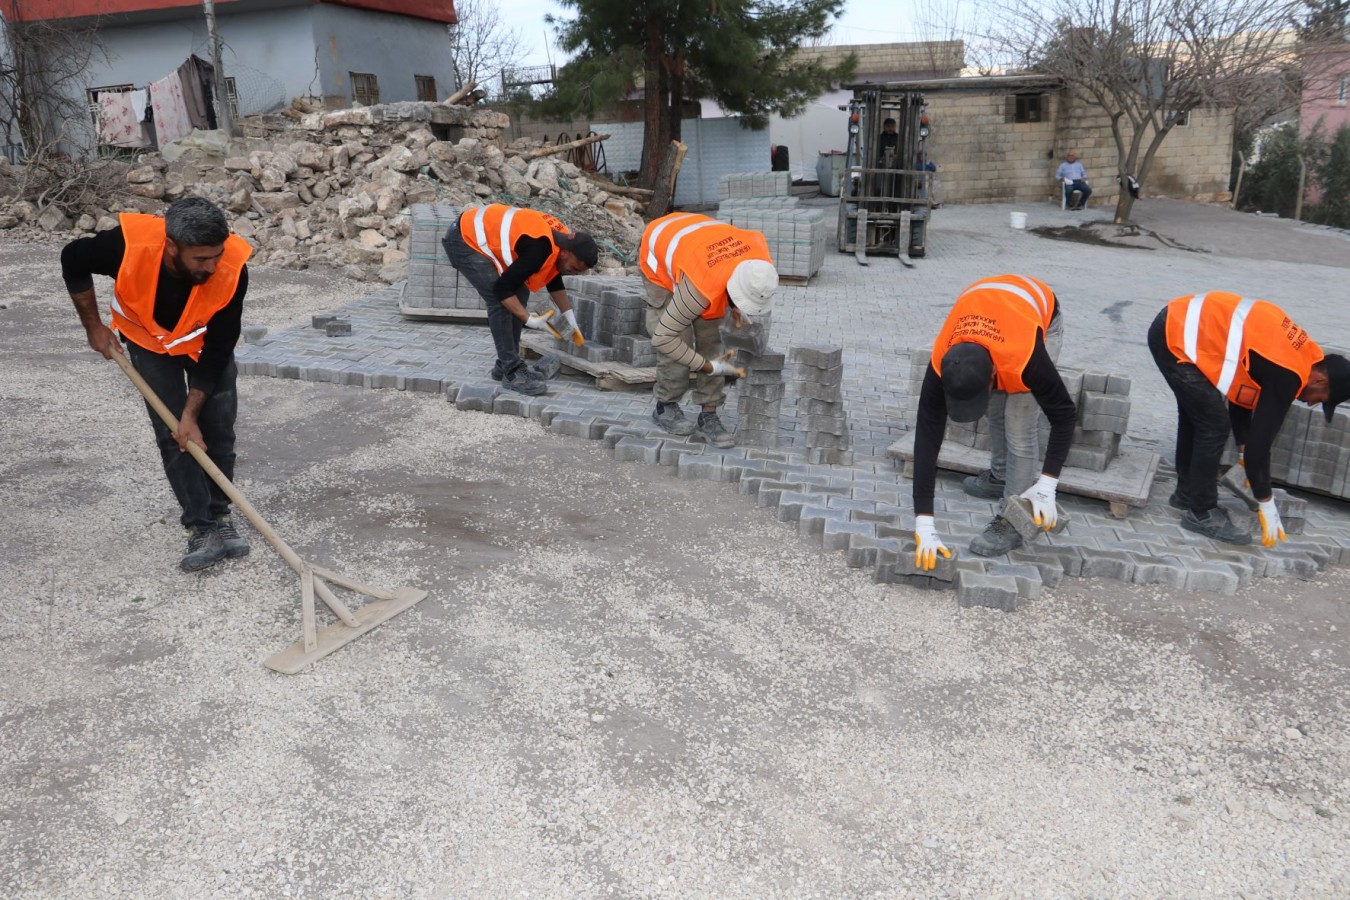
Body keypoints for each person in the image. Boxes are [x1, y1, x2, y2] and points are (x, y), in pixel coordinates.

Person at [61, 196, 253, 573]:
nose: (212, 266)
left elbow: (219, 346)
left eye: (216, 255)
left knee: (217, 430)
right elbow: (72, 259)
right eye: (201, 259)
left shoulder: (232, 269)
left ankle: (220, 515)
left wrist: (191, 413)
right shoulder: (126, 246)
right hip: (148, 339)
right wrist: (93, 327)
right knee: (174, 434)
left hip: (202, 344)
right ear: (171, 247)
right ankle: (200, 526)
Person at [1148, 291, 1350, 545]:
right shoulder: (1288, 374)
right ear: (1320, 380)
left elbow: (1240, 394)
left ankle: (1187, 494)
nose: (1311, 403)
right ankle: (1201, 513)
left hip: (1178, 322)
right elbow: (1260, 449)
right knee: (1213, 423)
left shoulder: (1302, 356)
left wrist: (1243, 451)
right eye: (1321, 398)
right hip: (1177, 336)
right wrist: (1266, 502)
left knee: (1199, 415)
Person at [912, 274, 1078, 567]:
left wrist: (1047, 485)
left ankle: (1012, 520)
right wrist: (924, 523)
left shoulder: (1026, 359)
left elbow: (1064, 414)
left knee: (1018, 421)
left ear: (993, 375)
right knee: (994, 409)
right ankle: (1001, 475)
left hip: (1039, 318)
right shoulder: (942, 360)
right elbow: (926, 437)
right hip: (993, 311)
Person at [639, 212, 779, 448]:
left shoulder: (761, 266)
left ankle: (709, 414)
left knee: (714, 337)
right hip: (660, 250)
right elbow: (664, 338)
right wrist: (705, 365)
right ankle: (666, 406)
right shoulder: (701, 287)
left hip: (699, 242)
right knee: (679, 339)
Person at [442, 203, 598, 396]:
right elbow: (502, 290)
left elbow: (554, 279)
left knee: (519, 292)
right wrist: (529, 319)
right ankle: (512, 371)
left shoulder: (564, 241)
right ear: (566, 253)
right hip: (464, 240)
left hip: (484, 236)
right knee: (499, 301)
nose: (572, 273)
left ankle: (506, 364)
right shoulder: (539, 248)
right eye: (574, 268)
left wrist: (569, 318)